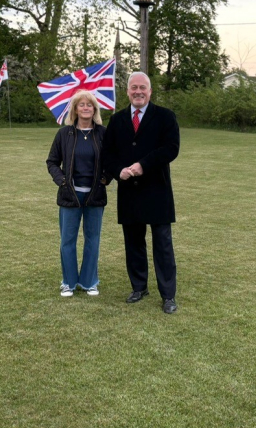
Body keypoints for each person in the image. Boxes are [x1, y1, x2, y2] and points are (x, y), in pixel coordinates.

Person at [102, 72, 180, 314]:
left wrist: (143, 165)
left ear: (150, 91)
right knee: (133, 243)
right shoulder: (116, 120)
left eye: (142, 88)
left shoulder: (165, 117)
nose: (138, 91)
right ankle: (139, 287)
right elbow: (107, 154)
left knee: (162, 245)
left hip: (157, 190)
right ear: (127, 91)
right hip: (129, 192)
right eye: (133, 87)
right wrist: (118, 171)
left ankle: (168, 295)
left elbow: (171, 148)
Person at [46, 90, 110, 297]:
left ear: (94, 109)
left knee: (93, 239)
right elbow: (52, 162)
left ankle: (90, 281)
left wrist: (105, 179)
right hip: (70, 195)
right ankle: (69, 282)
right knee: (67, 240)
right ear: (74, 109)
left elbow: (113, 160)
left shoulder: (102, 133)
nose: (85, 108)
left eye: (89, 104)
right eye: (81, 104)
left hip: (95, 196)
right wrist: (62, 181)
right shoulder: (65, 134)